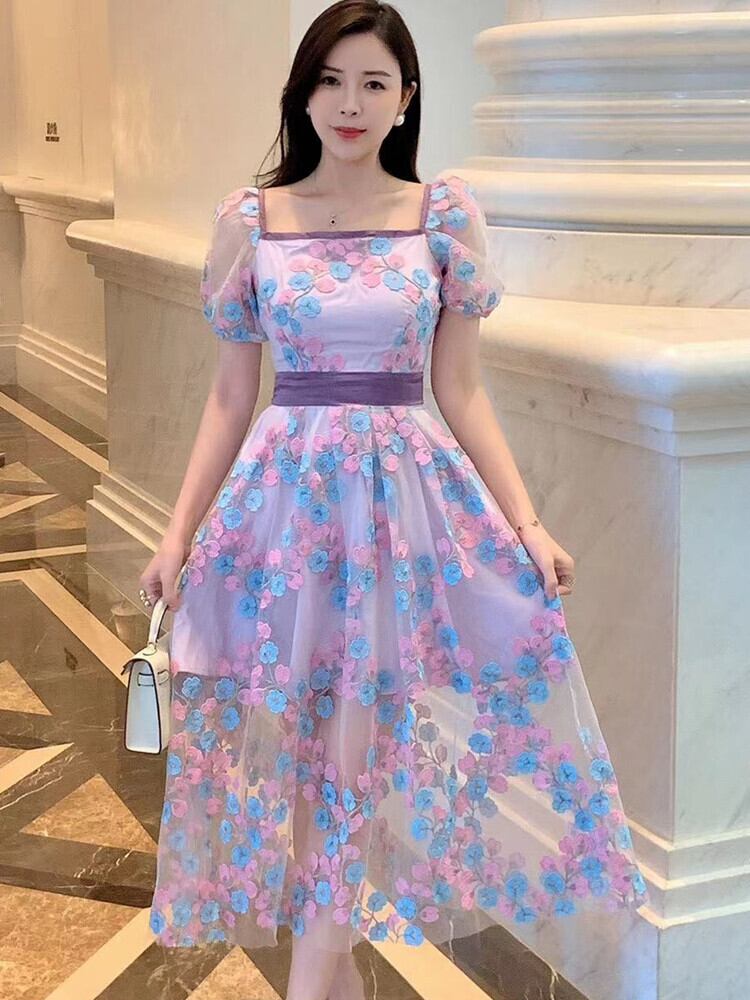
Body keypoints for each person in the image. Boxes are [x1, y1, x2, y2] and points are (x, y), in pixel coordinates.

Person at [139, 3, 650, 999]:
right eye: (331, 80)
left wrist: (526, 523)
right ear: (302, 94)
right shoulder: (252, 223)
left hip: (397, 522)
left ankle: (312, 983)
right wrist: (176, 534)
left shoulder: (440, 217)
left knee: (349, 768)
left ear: (406, 99)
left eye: (374, 82)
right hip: (285, 518)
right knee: (305, 768)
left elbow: (459, 388)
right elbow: (231, 396)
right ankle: (336, 983)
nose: (351, 102)